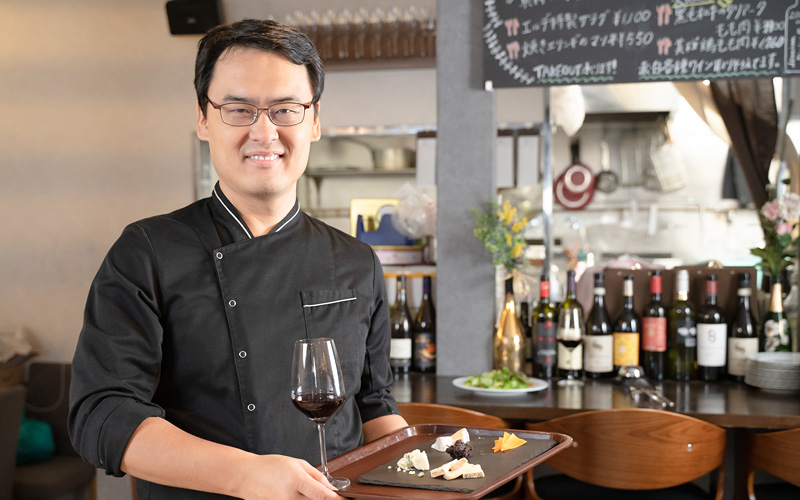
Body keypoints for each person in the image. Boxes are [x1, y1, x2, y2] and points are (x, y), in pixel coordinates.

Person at [69, 19, 407, 500]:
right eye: (239, 109)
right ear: (205, 120)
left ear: (313, 121)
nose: (264, 131)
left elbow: (373, 404)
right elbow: (101, 413)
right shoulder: (146, 251)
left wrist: (425, 470)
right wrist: (245, 475)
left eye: (286, 109)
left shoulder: (356, 259)